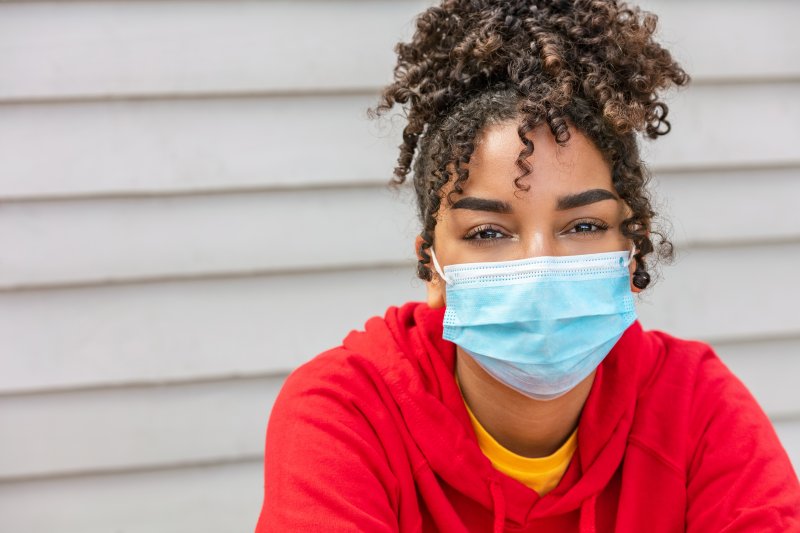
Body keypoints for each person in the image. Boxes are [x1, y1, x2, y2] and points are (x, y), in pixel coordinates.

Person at [255, 0, 800, 531]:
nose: (540, 265)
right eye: (488, 232)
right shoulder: (346, 413)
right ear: (431, 267)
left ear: (631, 244)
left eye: (583, 226)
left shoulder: (695, 407)